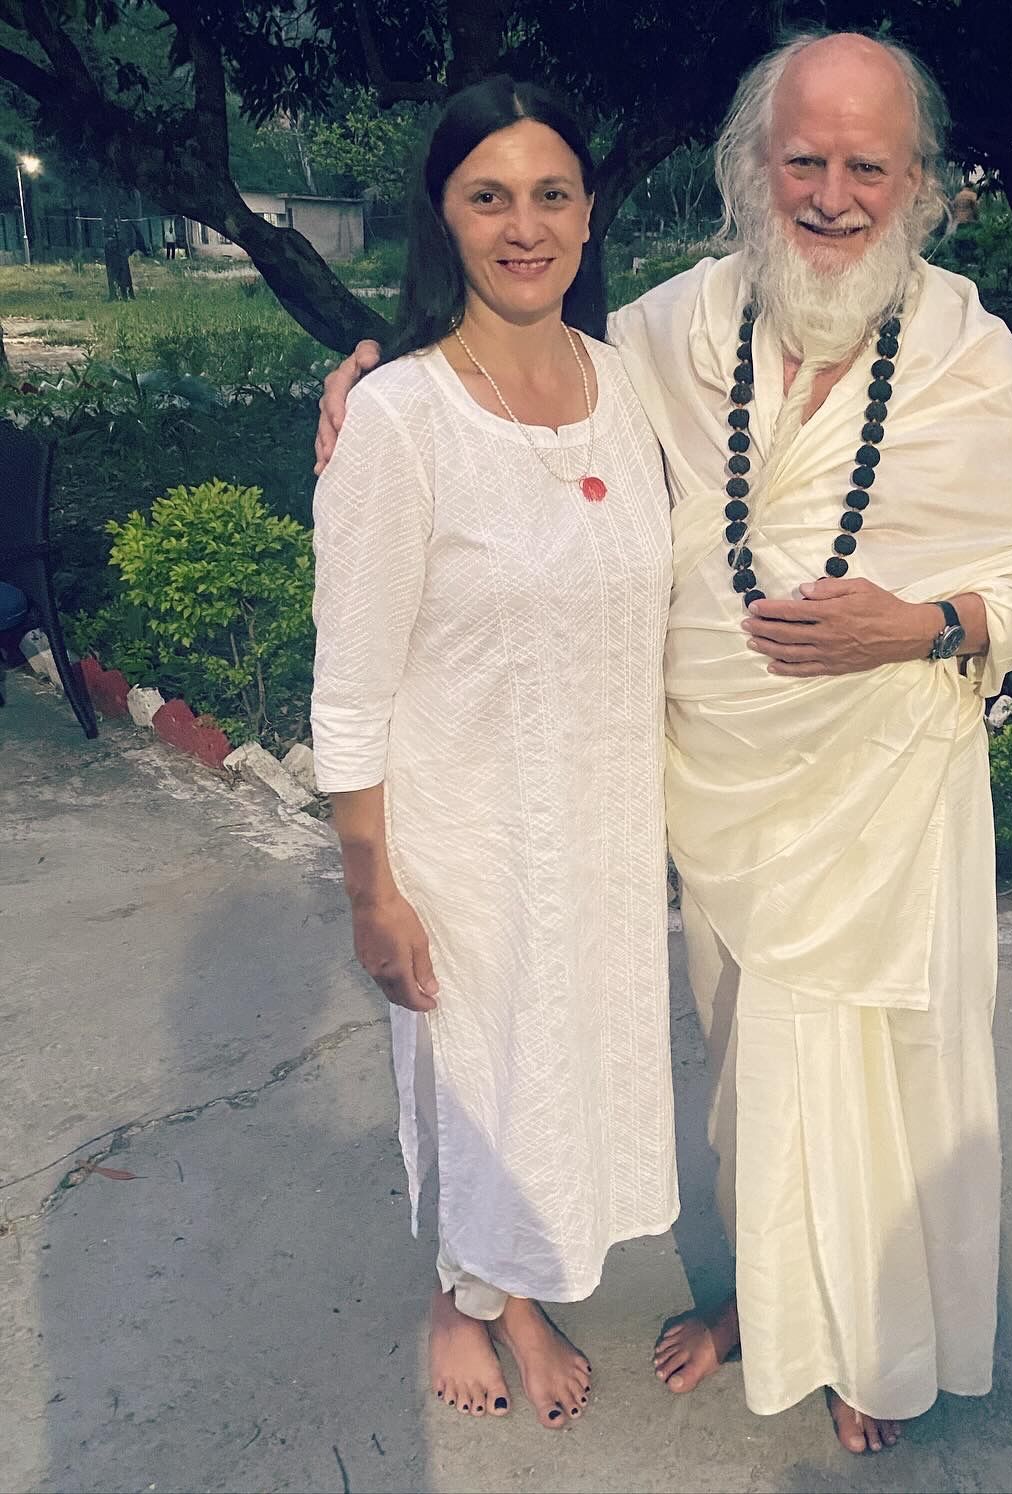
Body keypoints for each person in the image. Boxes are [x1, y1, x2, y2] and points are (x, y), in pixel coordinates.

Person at [317, 29, 1012, 1457]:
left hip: (892, 797)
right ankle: (763, 1304)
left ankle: (872, 1332)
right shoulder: (666, 336)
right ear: (750, 170)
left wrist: (916, 624)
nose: (832, 195)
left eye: (867, 165)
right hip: (721, 790)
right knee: (749, 1075)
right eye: (804, 160)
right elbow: (495, 414)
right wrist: (368, 385)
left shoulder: (975, 355)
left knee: (893, 1078)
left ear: (919, 184)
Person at [309, 77, 677, 1431]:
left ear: (588, 215)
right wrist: (371, 885)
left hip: (598, 822)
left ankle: (507, 1279)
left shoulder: (633, 384)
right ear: (444, 218)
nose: (524, 226)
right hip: (463, 831)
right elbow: (347, 687)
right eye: (488, 196)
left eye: (552, 193)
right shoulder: (400, 420)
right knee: (484, 1077)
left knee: (562, 1072)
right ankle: (473, 1297)